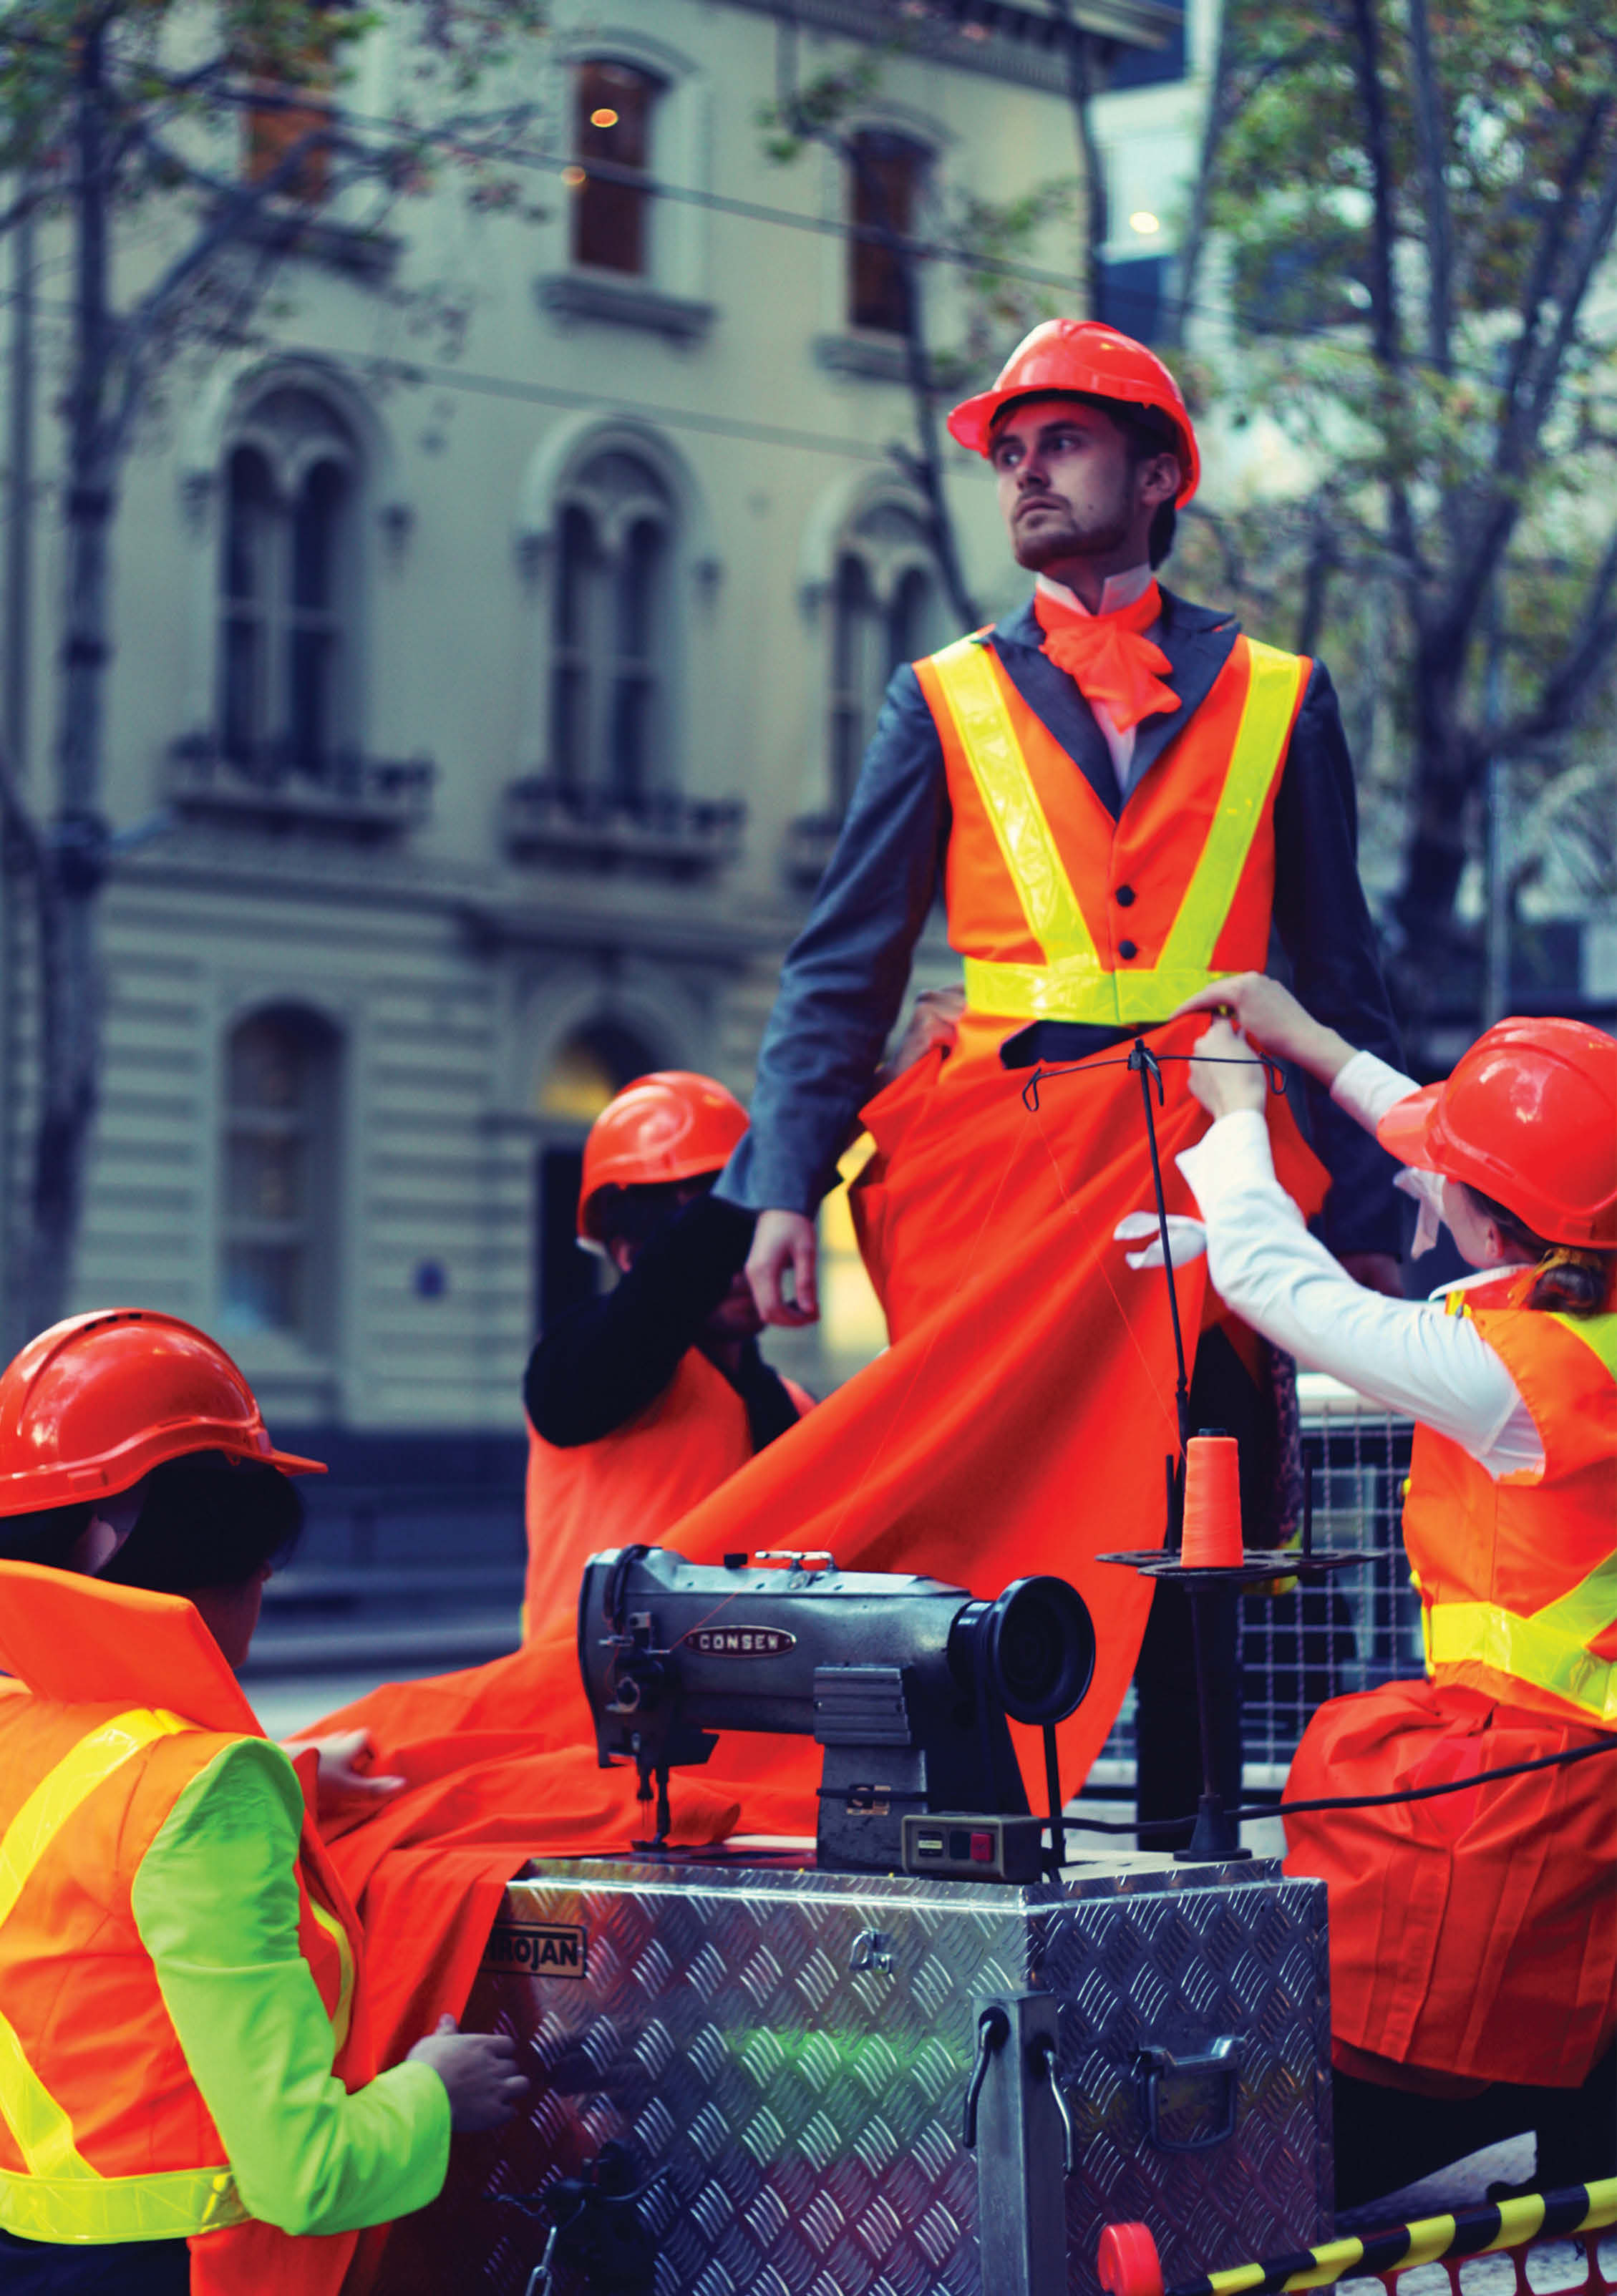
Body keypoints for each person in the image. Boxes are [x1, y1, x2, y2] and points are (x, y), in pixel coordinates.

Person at [695, 317, 1404, 1821]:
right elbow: (844, 960)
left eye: (1058, 444)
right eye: (1008, 454)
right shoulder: (939, 695)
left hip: (1215, 1163)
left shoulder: (1283, 694)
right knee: (992, 1537)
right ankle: (980, 1868)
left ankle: (1192, 1868)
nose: (1022, 473)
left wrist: (1374, 1210)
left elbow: (1339, 971)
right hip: (1001, 1173)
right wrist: (778, 1191)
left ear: (1158, 475)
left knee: (1199, 1530)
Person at [1170, 975, 1615, 2204]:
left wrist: (1233, 1123)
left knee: (1331, 2149)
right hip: (1573, 1792)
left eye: (1447, 1181)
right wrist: (1305, 1041)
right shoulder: (1578, 1293)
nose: (1424, 1177)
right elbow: (1453, 1136)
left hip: (1525, 1804)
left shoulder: (1510, 1374)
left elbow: (1286, 1295)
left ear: (1488, 1227)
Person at [0, 1308, 528, 2296]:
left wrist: (286, 1772)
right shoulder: (205, 1795)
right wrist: (434, 2093)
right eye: (261, 1548)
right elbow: (307, 2173)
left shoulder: (20, 1721)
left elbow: (87, 1836)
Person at [521, 1071, 812, 1643]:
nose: (738, 1268)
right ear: (628, 1257)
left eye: (751, 1238)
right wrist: (813, 1124)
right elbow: (655, 1305)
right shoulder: (579, 1365)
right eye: (721, 1245)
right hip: (576, 1718)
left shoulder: (792, 1410)